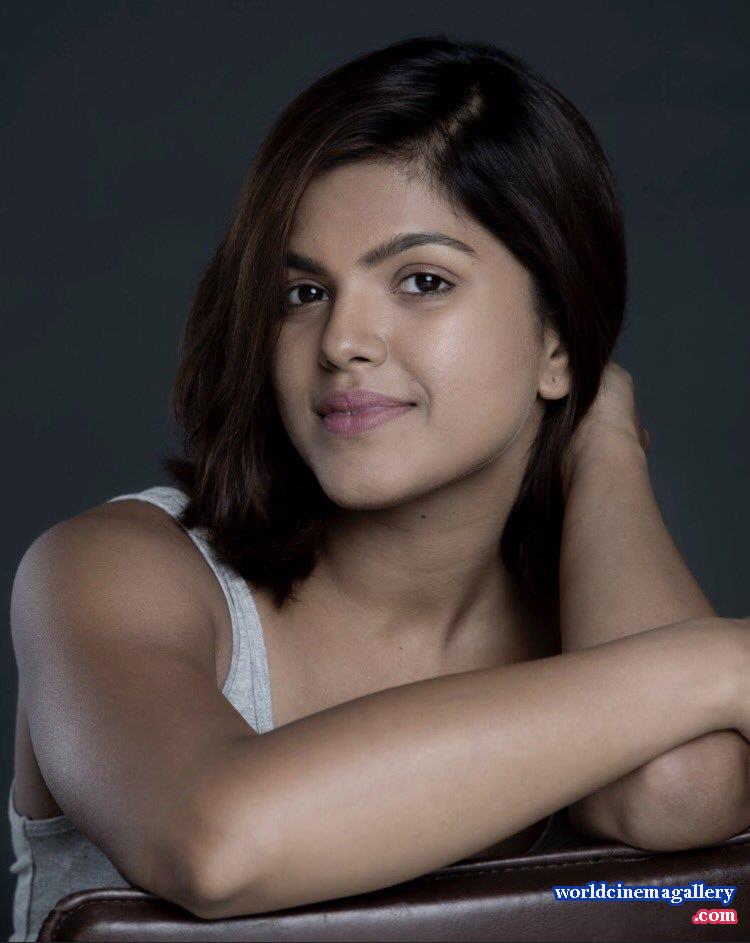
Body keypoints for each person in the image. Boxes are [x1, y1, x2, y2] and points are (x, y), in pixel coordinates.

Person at [9, 34, 750, 940]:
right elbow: (216, 841)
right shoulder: (111, 571)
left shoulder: (590, 618)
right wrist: (727, 662)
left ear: (556, 339)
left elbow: (673, 791)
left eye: (421, 281)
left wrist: (606, 447)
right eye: (302, 294)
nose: (341, 342)